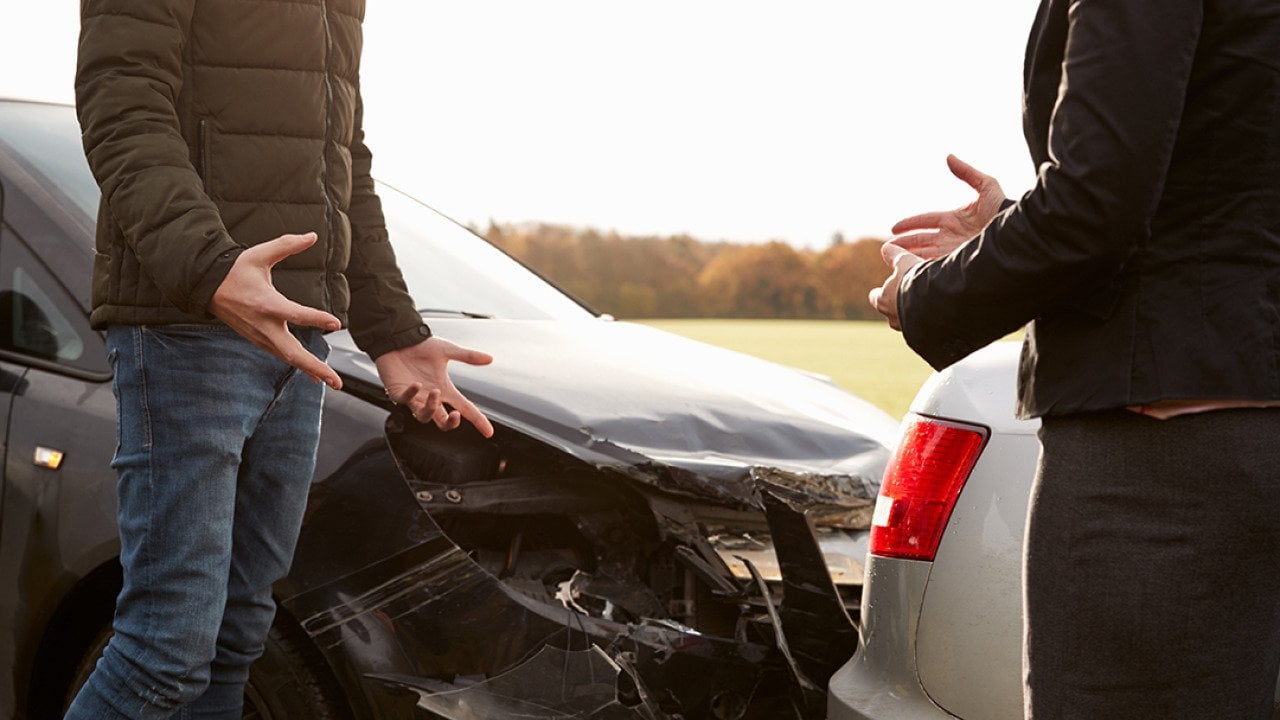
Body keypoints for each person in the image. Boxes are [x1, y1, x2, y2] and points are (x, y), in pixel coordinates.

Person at [67, 1, 495, 717]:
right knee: (163, 654)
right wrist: (209, 268)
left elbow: (340, 160)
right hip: (185, 331)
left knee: (238, 639)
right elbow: (121, 103)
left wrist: (391, 330)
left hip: (298, 345)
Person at [869, 1, 1280, 718]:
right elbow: (1227, 187)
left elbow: (1096, 205)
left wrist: (927, 294)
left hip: (1161, 461)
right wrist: (1003, 232)